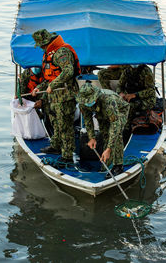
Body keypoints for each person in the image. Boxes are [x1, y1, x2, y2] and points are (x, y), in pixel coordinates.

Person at [31, 29, 80, 167]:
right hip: (53, 97)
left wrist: (54, 84)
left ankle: (67, 156)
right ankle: (56, 145)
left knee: (65, 126)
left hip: (65, 96)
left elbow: (68, 71)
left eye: (42, 45)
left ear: (47, 43)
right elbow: (49, 77)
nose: (41, 48)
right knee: (55, 123)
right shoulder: (49, 54)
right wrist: (39, 88)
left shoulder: (62, 52)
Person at [76, 82, 129, 178]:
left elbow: (115, 126)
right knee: (105, 134)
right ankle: (107, 161)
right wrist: (91, 137)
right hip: (101, 113)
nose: (87, 102)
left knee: (116, 135)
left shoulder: (108, 100)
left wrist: (109, 148)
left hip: (120, 111)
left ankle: (118, 166)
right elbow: (88, 120)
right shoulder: (83, 103)